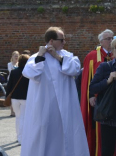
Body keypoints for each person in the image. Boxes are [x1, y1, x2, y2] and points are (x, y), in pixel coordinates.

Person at [21, 27, 88, 156]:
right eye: (61, 40)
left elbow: (75, 69)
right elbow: (29, 72)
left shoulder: (67, 56)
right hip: (44, 107)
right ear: (51, 41)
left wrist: (56, 56)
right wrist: (41, 55)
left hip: (66, 106)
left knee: (66, 136)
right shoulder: (36, 57)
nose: (64, 42)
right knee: (43, 137)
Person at [89, 36, 116, 156]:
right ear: (112, 50)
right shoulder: (105, 67)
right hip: (109, 116)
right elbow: (93, 87)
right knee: (107, 150)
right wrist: (108, 80)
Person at [81, 29, 114, 156]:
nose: (111, 41)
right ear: (101, 41)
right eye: (108, 39)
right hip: (98, 99)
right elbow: (87, 80)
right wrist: (90, 96)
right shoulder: (92, 56)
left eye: (112, 38)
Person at [6, 54, 30, 144]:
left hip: (15, 98)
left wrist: (7, 96)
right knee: (23, 117)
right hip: (25, 98)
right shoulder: (28, 73)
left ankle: (19, 136)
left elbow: (9, 85)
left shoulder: (13, 72)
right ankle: (22, 137)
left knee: (18, 117)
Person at [7, 51, 20, 117]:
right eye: (15, 55)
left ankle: (16, 111)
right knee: (11, 96)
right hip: (11, 82)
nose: (16, 57)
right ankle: (12, 112)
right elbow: (11, 70)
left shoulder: (19, 64)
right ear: (12, 56)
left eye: (17, 55)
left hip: (18, 82)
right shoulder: (9, 64)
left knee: (16, 97)